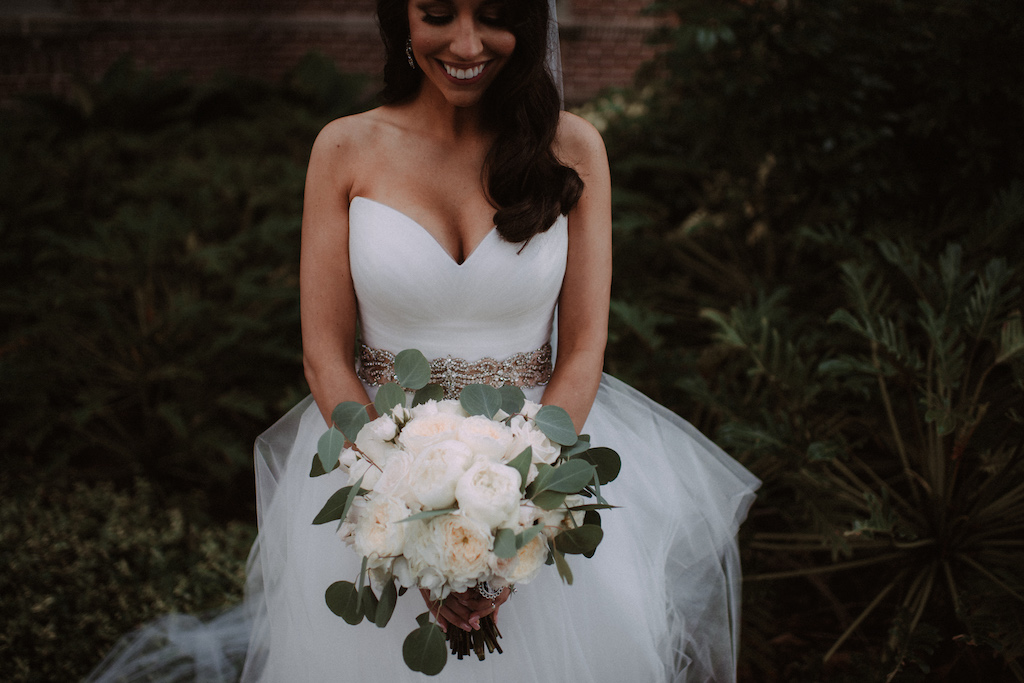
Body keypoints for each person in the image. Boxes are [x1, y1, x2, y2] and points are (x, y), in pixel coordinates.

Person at [87, 1, 759, 681]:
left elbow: (584, 347)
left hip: (542, 467)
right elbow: (324, 353)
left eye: (493, 15)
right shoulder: (343, 149)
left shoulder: (573, 147)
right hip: (371, 465)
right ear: (400, 19)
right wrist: (407, 519)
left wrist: (516, 515)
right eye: (437, 12)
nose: (466, 43)